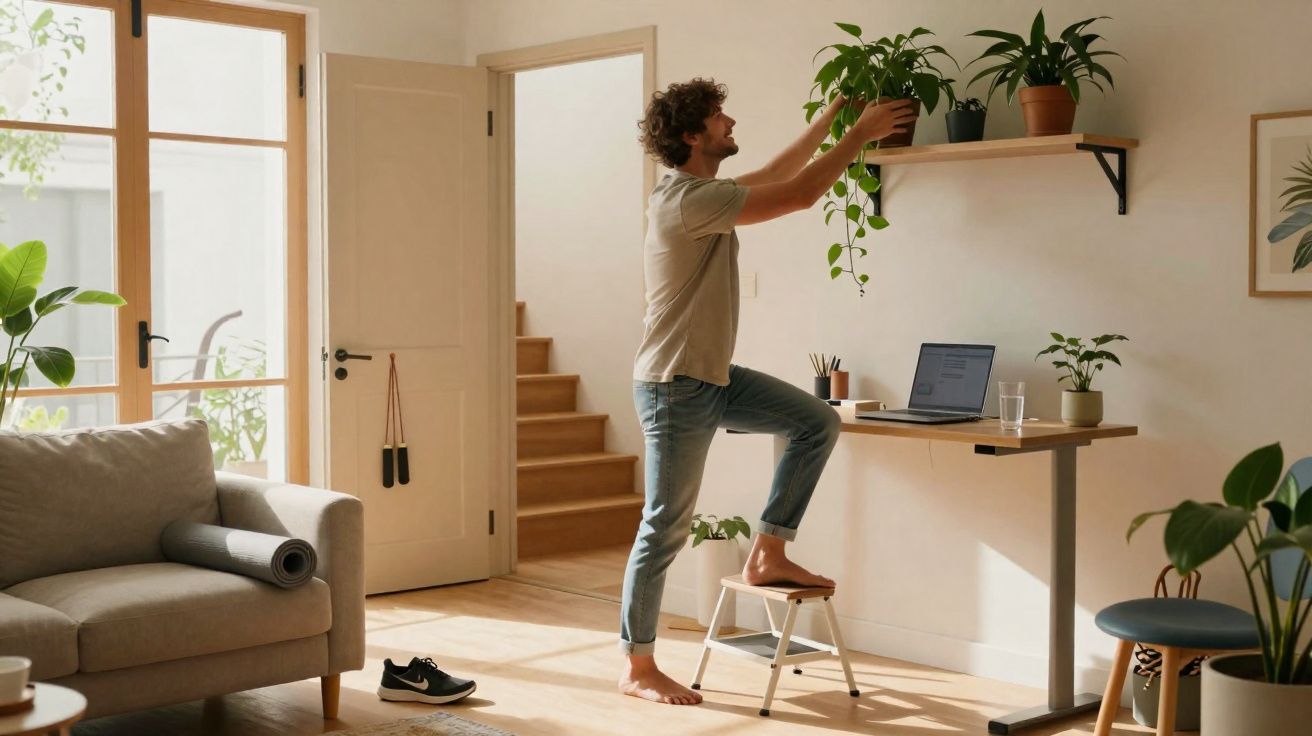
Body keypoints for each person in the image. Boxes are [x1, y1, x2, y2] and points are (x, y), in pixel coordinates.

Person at [619, 78, 916, 706]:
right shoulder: (685, 201)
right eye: (718, 118)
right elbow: (802, 195)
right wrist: (859, 137)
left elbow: (783, 171)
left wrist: (834, 119)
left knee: (815, 422)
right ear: (692, 135)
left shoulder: (704, 193)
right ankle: (639, 666)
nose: (730, 122)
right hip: (674, 386)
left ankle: (767, 551)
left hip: (711, 379)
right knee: (664, 527)